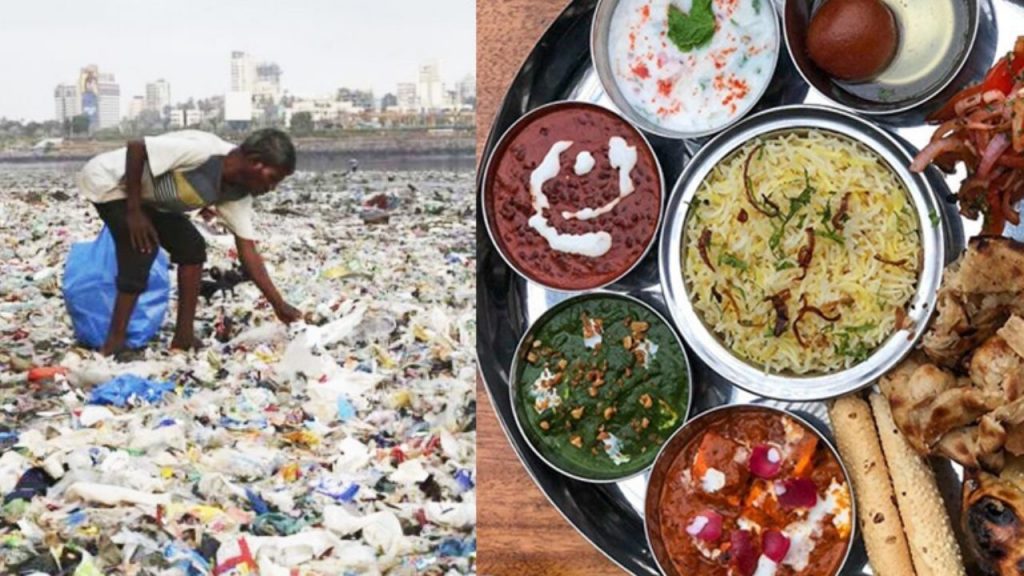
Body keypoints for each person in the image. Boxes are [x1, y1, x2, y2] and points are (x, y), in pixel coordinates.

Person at [76, 128, 303, 356]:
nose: (272, 188)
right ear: (255, 162)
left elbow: (248, 252)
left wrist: (278, 304)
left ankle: (183, 337)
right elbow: (137, 147)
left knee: (192, 248)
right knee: (142, 249)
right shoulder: (204, 152)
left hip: (149, 200)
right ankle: (114, 343)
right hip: (110, 183)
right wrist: (134, 211)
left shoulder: (237, 193)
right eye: (273, 178)